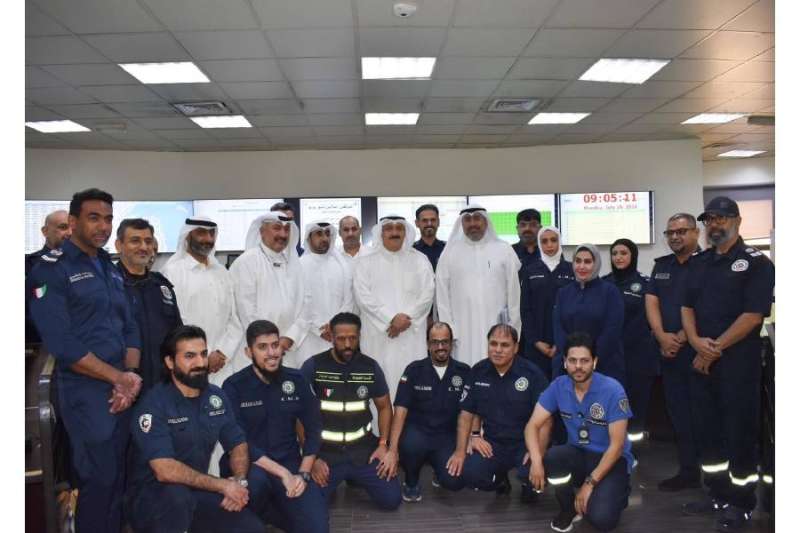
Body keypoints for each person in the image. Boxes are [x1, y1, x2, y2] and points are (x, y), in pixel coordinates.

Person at [29, 188, 143, 533]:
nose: (103, 226)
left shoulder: (107, 266)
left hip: (122, 390)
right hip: (85, 391)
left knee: (120, 477)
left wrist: (130, 375)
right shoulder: (50, 270)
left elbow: (130, 327)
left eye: (108, 219)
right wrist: (117, 378)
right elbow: (62, 343)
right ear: (73, 221)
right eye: (94, 218)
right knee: (98, 480)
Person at [681, 196, 775, 531]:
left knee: (739, 433)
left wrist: (713, 348)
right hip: (701, 362)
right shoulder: (699, 262)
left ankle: (741, 501)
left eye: (721, 218)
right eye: (709, 219)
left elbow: (752, 316)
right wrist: (695, 341)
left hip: (738, 366)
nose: (714, 224)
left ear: (737, 220)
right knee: (707, 432)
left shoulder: (756, 263)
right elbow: (686, 307)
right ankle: (717, 494)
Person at [126, 325, 264, 533]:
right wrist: (223, 485)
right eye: (190, 356)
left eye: (203, 354)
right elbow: (164, 470)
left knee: (251, 528)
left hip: (196, 493)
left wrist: (239, 481)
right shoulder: (153, 404)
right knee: (177, 497)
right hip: (153, 500)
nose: (200, 363)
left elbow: (238, 444)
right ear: (170, 362)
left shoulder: (215, 397)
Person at [222, 320, 328, 533]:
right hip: (251, 466)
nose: (272, 353)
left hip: (290, 462)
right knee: (256, 485)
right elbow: (238, 441)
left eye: (275, 345)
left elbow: (314, 429)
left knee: (317, 528)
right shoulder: (234, 386)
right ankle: (257, 514)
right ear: (248, 352)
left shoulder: (296, 379)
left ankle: (272, 511)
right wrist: (283, 474)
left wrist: (303, 474)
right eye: (262, 347)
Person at [525, 331, 634, 532]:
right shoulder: (559, 386)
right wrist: (536, 460)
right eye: (572, 360)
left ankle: (620, 492)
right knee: (553, 457)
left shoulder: (613, 390)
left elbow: (617, 446)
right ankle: (568, 508)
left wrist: (589, 484)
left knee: (601, 520)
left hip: (611, 460)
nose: (578, 366)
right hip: (579, 454)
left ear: (594, 362)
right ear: (565, 362)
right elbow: (532, 425)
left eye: (584, 361)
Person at [300, 312, 402, 511]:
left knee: (391, 500)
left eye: (352, 338)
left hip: (363, 451)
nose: (347, 344)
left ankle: (355, 478)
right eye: (341, 338)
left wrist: (384, 444)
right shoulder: (313, 366)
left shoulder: (370, 367)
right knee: (309, 504)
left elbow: (384, 407)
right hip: (325, 453)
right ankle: (335, 482)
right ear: (331, 337)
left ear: (359, 336)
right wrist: (312, 458)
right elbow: (300, 413)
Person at [446, 324, 548, 503]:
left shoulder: (532, 373)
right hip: (493, 443)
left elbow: (546, 420)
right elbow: (466, 413)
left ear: (516, 347)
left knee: (532, 475)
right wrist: (463, 448)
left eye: (505, 345)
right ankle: (500, 479)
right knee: (469, 473)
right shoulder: (478, 371)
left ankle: (528, 485)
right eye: (493, 344)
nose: (498, 350)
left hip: (525, 443)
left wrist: (537, 453)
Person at [645, 213, 703, 491]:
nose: (675, 237)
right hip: (668, 354)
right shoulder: (662, 266)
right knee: (679, 415)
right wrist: (661, 336)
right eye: (670, 233)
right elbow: (651, 301)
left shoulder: (708, 264)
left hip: (699, 354)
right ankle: (688, 471)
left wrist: (679, 337)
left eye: (681, 231)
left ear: (696, 233)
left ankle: (712, 476)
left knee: (704, 415)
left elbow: (708, 306)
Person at [353, 215, 435, 397]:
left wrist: (406, 319)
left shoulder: (420, 260)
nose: (394, 232)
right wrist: (390, 319)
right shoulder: (365, 262)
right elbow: (363, 297)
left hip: (410, 334)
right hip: (378, 334)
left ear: (406, 232)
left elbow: (428, 294)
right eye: (389, 228)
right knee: (379, 384)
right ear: (381, 233)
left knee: (412, 384)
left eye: (399, 228)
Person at [389, 322, 469, 502]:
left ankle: (439, 472)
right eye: (435, 342)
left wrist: (470, 440)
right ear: (427, 344)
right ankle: (411, 481)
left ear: (451, 343)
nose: (440, 347)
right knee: (409, 446)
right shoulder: (413, 370)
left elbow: (470, 411)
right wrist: (392, 449)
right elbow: (400, 410)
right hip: (418, 434)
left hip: (447, 436)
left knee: (455, 482)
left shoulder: (464, 371)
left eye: (444, 342)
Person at [160, 216, 242, 385]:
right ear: (188, 236)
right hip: (190, 365)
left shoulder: (222, 272)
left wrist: (222, 353)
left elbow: (234, 318)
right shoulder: (172, 272)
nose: (208, 239)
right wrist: (204, 355)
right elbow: (175, 322)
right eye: (201, 233)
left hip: (223, 364)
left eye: (212, 234)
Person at [436, 206, 522, 366]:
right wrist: (449, 331)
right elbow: (442, 297)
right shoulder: (449, 253)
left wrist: (513, 329)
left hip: (497, 328)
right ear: (461, 224)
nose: (472, 224)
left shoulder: (504, 250)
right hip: (461, 331)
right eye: (467, 220)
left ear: (486, 221)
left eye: (477, 218)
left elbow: (514, 294)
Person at [228, 212, 306, 368]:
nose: (283, 234)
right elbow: (246, 311)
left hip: (288, 349)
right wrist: (271, 344)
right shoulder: (246, 262)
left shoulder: (295, 264)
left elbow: (305, 305)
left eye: (287, 229)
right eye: (277, 228)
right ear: (262, 231)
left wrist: (290, 337)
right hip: (257, 350)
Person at [114, 218, 183, 394]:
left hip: (162, 385)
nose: (143, 247)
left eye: (148, 241)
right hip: (121, 386)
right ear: (119, 245)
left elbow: (176, 333)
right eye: (135, 241)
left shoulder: (161, 286)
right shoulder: (107, 285)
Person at [602, 239, 660, 444]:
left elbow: (653, 318)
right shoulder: (603, 283)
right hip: (610, 357)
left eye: (623, 253)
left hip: (638, 357)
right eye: (614, 253)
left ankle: (634, 449)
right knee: (611, 402)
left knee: (636, 404)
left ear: (633, 256)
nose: (618, 257)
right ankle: (611, 448)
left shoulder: (645, 284)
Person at [553, 244, 626, 385]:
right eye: (578, 261)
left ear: (596, 263)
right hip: (568, 367)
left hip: (603, 365)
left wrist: (589, 359)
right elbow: (558, 328)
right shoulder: (563, 293)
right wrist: (572, 358)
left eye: (587, 262)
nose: (582, 266)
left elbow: (612, 330)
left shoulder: (610, 292)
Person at [295, 221, 354, 365]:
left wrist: (336, 325)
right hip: (310, 336)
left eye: (327, 234)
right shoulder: (299, 265)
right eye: (319, 234)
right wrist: (319, 329)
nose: (324, 238)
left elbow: (349, 299)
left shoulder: (341, 265)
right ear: (309, 238)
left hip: (338, 334)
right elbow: (299, 303)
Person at [520, 225, 574, 379]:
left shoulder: (571, 270)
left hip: (565, 343)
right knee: (537, 387)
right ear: (539, 244)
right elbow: (525, 309)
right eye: (544, 241)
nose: (549, 245)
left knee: (563, 386)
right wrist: (536, 341)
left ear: (559, 242)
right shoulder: (530, 270)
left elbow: (574, 308)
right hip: (536, 345)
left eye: (553, 240)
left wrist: (561, 341)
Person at [26, 209, 72, 343]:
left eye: (73, 229)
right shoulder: (29, 265)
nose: (70, 233)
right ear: (45, 231)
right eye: (63, 227)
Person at [412, 204, 446, 272]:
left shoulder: (447, 249)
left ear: (438, 222)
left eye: (433, 220)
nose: (429, 224)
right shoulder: (411, 251)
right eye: (424, 220)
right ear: (417, 223)